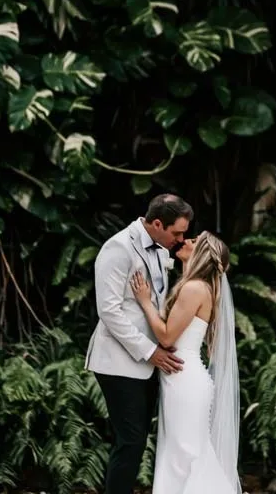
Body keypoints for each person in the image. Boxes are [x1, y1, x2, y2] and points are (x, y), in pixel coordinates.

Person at [85, 193, 193, 494]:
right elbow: (108, 311)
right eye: (177, 233)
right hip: (119, 362)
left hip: (148, 364)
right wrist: (150, 352)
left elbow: (155, 302)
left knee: (136, 441)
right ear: (157, 223)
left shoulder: (160, 248)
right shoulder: (118, 249)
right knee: (130, 441)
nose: (182, 239)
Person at [131, 230, 241, 494]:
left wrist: (145, 302)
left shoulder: (194, 289)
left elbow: (168, 336)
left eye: (193, 241)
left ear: (201, 253)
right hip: (182, 378)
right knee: (182, 454)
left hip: (184, 379)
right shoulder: (197, 286)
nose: (186, 241)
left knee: (185, 455)